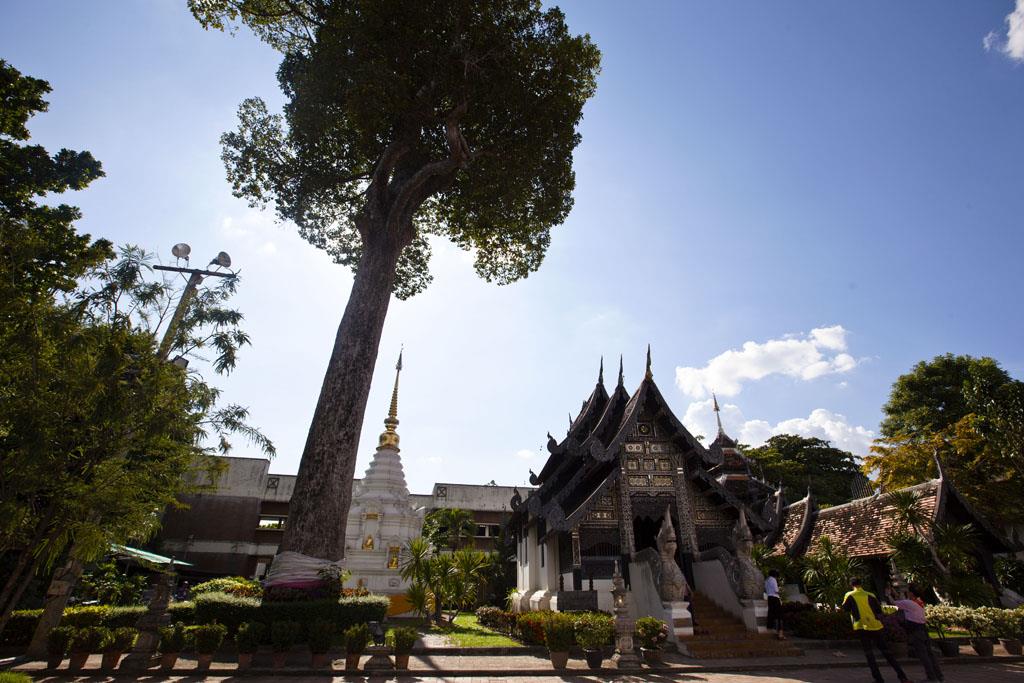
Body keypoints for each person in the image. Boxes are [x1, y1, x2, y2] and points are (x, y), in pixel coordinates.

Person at [842, 578, 913, 683]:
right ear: (861, 584)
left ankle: (878, 679)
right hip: (875, 625)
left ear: (851, 585)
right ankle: (902, 677)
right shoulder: (871, 595)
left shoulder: (849, 595)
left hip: (861, 626)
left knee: (869, 654)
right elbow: (878, 610)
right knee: (887, 652)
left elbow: (845, 608)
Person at [889, 585, 943, 682]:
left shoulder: (909, 603)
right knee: (930, 654)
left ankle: (931, 677)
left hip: (915, 631)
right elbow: (903, 601)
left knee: (923, 655)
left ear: (911, 593)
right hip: (923, 629)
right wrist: (895, 593)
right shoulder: (919, 602)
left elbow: (894, 603)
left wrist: (888, 595)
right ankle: (939, 676)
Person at [764, 569, 785, 639]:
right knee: (780, 616)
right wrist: (781, 592)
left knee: (772, 614)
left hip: (769, 598)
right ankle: (780, 634)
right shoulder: (773, 580)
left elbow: (766, 590)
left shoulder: (766, 580)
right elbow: (776, 590)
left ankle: (773, 630)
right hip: (775, 598)